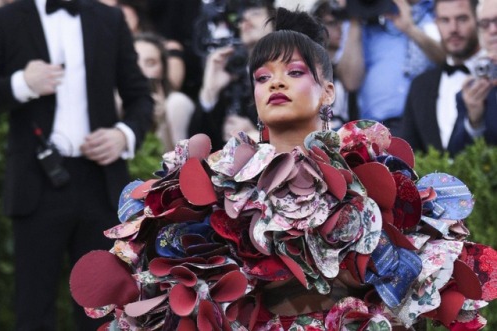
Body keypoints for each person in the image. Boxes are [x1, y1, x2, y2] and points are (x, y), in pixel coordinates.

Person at [69, 6, 497, 331]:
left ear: (328, 91)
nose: (275, 83)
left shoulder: (371, 175)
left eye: (293, 72)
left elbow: (421, 281)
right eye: (261, 76)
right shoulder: (219, 180)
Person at [0, 0, 153, 329]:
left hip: (100, 180)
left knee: (103, 308)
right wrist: (21, 83)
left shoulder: (109, 18)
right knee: (33, 307)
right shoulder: (7, 18)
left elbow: (140, 95)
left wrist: (124, 136)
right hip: (36, 181)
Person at [337, 0, 445, 135]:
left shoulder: (437, 9)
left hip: (427, 124)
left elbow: (452, 60)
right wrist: (355, 16)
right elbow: (350, 82)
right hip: (376, 129)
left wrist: (410, 29)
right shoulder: (361, 21)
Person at [188, 0, 275, 151]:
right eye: (241, 18)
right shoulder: (233, 75)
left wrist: (256, 134)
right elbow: (197, 142)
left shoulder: (289, 74)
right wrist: (210, 91)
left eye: (255, 13)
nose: (246, 19)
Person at [399, 0, 482, 155]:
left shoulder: (493, 76)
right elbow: (409, 156)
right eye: (445, 20)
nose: (453, 29)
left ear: (478, 20)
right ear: (436, 23)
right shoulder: (420, 86)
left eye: (462, 19)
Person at [134, 32, 195, 151]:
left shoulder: (176, 104)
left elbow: (177, 165)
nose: (141, 70)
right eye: (134, 62)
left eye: (150, 63)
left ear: (163, 70)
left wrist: (162, 122)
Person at [450, 0, 497, 150]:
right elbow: (453, 160)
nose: (493, 30)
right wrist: (474, 122)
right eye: (484, 24)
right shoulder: (472, 92)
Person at [311, 0, 355, 130]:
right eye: (332, 23)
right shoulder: (310, 68)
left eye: (343, 22)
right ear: (318, 26)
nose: (341, 28)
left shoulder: (356, 62)